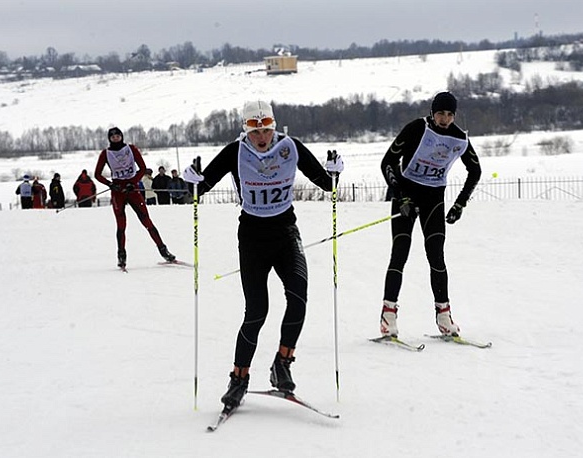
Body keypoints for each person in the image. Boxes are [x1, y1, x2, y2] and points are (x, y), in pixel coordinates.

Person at [182, 100, 344, 409]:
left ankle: (282, 363)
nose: (262, 137)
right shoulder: (235, 152)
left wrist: (335, 172)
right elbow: (200, 188)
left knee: (299, 297)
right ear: (246, 130)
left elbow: (326, 183)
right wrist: (191, 180)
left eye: (267, 129)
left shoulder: (290, 147)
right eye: (255, 131)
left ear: (274, 127)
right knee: (257, 312)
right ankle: (238, 378)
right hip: (253, 238)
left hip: (285, 233)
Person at [379, 91, 482, 338]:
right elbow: (388, 162)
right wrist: (399, 194)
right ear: (432, 112)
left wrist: (460, 204)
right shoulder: (417, 128)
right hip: (407, 195)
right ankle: (388, 316)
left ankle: (444, 316)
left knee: (436, 256)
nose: (444, 119)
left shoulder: (459, 138)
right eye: (440, 113)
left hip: (433, 199)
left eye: (449, 114)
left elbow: (475, 170)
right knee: (400, 253)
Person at [94, 127, 176, 268]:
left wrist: (134, 182)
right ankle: (121, 256)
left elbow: (142, 168)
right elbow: (97, 174)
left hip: (132, 189)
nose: (115, 138)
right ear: (109, 138)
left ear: (121, 136)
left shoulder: (131, 149)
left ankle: (163, 250)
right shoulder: (105, 153)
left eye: (118, 135)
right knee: (121, 225)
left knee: (146, 221)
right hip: (118, 191)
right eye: (112, 136)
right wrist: (110, 184)